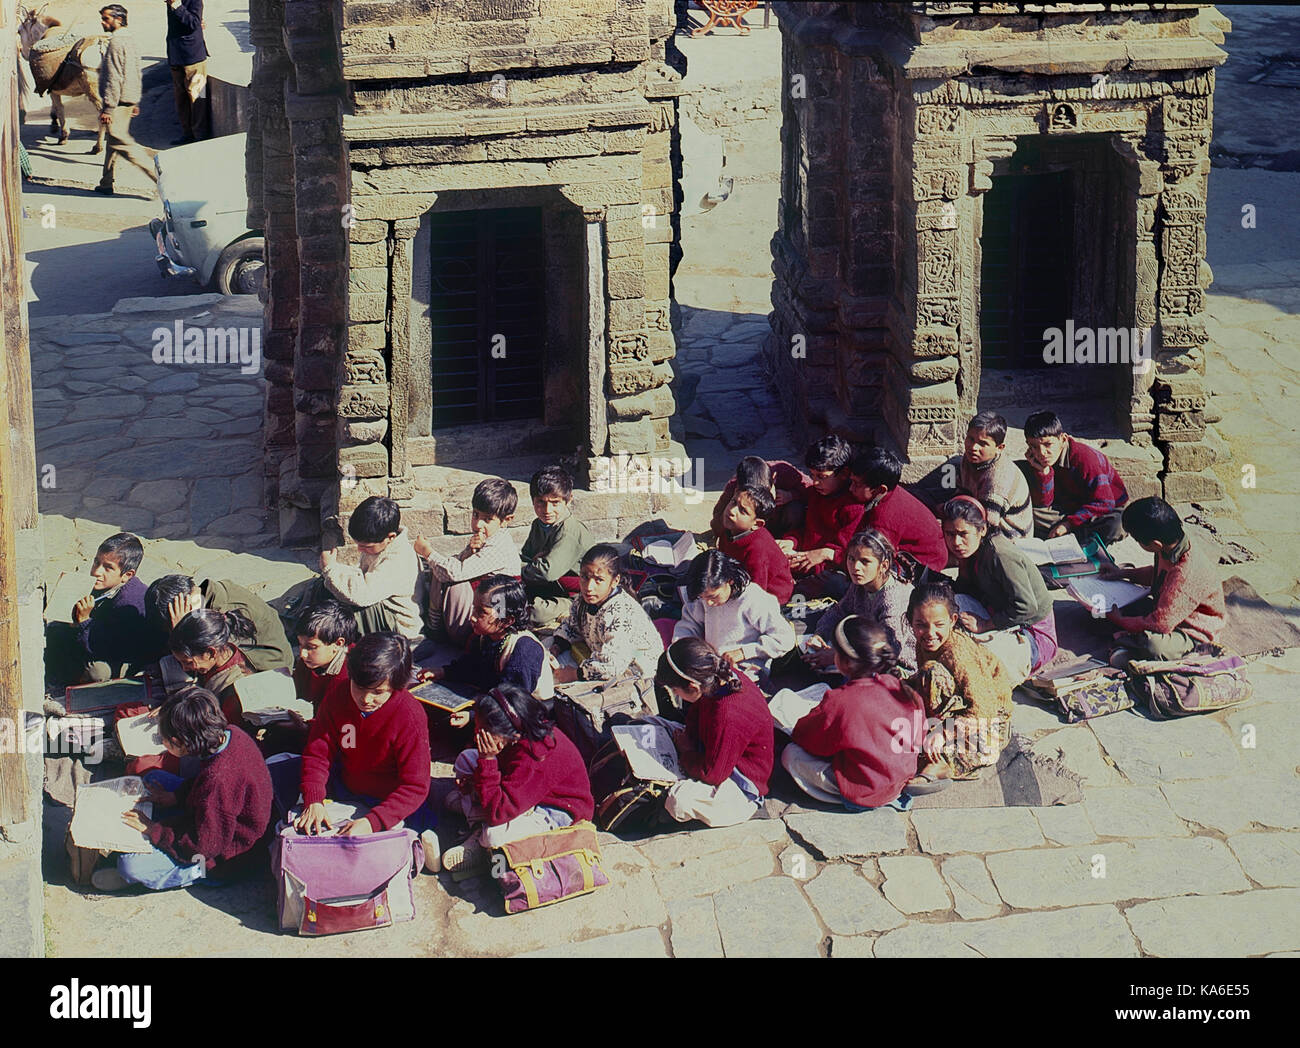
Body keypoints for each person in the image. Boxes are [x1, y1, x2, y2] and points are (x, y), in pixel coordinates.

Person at [93, 685, 273, 892]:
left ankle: (184, 875)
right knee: (153, 779)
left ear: (180, 743)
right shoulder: (231, 733)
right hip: (217, 816)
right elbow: (204, 781)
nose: (160, 742)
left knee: (130, 865)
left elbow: (204, 847)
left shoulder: (219, 781)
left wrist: (153, 830)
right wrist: (175, 796)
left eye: (163, 739)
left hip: (226, 856)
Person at [293, 633, 439, 872]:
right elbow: (318, 751)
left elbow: (415, 786)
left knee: (377, 846)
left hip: (388, 797)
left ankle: (415, 845)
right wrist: (314, 799)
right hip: (347, 783)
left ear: (397, 686)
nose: (367, 699)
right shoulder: (338, 695)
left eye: (379, 692)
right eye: (360, 688)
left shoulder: (409, 716)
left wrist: (373, 823)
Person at [440, 683, 595, 875]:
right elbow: (507, 773)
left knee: (493, 834)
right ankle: (478, 818)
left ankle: (480, 839)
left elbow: (497, 813)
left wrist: (487, 761)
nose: (476, 735)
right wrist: (473, 780)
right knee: (466, 759)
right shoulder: (517, 735)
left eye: (483, 731)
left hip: (555, 809)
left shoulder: (535, 756)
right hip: (525, 792)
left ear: (511, 735)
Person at [783, 616, 926, 809]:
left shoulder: (841, 700)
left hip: (866, 791)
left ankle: (849, 797)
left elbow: (805, 737)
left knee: (791, 754)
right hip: (899, 779)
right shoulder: (904, 689)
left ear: (845, 662)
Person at [653, 638, 774, 828]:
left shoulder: (729, 713)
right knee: (652, 725)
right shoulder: (714, 679)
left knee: (679, 801)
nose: (675, 694)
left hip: (739, 780)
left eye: (675, 690)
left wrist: (685, 752)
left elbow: (713, 774)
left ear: (692, 687)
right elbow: (695, 716)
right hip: (712, 752)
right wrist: (688, 741)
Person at [905, 583, 1013, 790]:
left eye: (938, 624)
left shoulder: (958, 653)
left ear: (953, 621)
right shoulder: (923, 644)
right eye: (921, 625)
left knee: (930, 673)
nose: (930, 633)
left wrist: (942, 733)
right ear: (911, 622)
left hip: (990, 722)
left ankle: (942, 763)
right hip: (957, 713)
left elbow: (985, 711)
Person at [943, 496, 1058, 683]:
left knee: (987, 662)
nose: (956, 542)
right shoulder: (972, 551)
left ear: (982, 530)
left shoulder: (1001, 555)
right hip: (998, 615)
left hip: (1033, 633)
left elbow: (1026, 607)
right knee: (949, 606)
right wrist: (963, 567)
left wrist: (985, 625)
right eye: (949, 534)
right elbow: (965, 590)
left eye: (963, 534)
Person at [1101, 496, 1226, 664]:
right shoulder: (1172, 544)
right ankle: (1128, 641)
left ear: (1155, 544)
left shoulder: (1185, 573)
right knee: (1116, 605)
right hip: (1170, 609)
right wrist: (1121, 573)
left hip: (1191, 631)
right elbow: (1157, 576)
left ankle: (1128, 646)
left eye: (1138, 540)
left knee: (1154, 645)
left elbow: (1162, 624)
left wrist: (1120, 621)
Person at [414, 478, 521, 647]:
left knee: (452, 580)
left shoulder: (499, 547)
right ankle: (435, 624)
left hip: (494, 615)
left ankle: (446, 634)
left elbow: (456, 572)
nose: (478, 524)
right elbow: (455, 562)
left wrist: (427, 552)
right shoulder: (485, 537)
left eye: (487, 519)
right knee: (441, 567)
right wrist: (468, 552)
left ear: (506, 520)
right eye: (475, 514)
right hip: (480, 605)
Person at [426, 575, 555, 712]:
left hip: (528, 712)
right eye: (474, 608)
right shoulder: (485, 636)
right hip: (496, 700)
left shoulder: (523, 650)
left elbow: (515, 702)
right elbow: (471, 667)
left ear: (507, 620)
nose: (472, 617)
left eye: (481, 612)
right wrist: (443, 672)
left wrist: (472, 716)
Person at [674, 549, 795, 685]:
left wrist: (743, 652)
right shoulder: (703, 598)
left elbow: (785, 639)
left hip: (748, 670)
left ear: (729, 581)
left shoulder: (753, 599)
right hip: (713, 663)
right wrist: (682, 649)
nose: (708, 603)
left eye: (712, 597)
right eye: (702, 597)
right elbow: (689, 624)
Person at [45, 532, 150, 686]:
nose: (96, 572)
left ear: (127, 575)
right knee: (54, 630)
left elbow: (104, 648)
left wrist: (84, 621)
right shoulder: (108, 584)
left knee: (96, 672)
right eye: (96, 562)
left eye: (108, 568)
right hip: (101, 637)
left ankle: (74, 685)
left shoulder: (129, 604)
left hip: (124, 657)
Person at [808, 528, 917, 673]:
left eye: (865, 561)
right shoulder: (860, 584)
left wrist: (837, 656)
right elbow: (840, 611)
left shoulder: (892, 600)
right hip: (866, 652)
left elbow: (888, 650)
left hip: (898, 668)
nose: (855, 567)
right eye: (851, 559)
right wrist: (820, 634)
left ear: (883, 566)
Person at [550, 544, 664, 684]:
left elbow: (612, 665)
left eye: (599, 580)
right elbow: (572, 624)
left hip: (633, 672)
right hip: (599, 656)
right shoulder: (584, 600)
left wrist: (574, 674)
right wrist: (557, 646)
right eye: (584, 577)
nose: (589, 587)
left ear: (615, 581)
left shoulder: (619, 613)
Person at [318, 496, 424, 641]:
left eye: (365, 546)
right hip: (377, 602)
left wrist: (329, 569)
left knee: (343, 615)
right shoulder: (381, 547)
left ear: (390, 537)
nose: (359, 550)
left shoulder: (398, 560)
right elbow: (361, 576)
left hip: (397, 624)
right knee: (324, 586)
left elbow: (362, 596)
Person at [145, 573, 293, 672]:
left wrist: (180, 632)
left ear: (184, 604)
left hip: (268, 666)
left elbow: (212, 662)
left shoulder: (228, 613)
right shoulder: (203, 598)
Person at [1021, 411, 1129, 543]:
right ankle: (1076, 536)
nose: (1042, 453)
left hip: (1103, 509)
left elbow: (1105, 502)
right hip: (1070, 506)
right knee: (1031, 513)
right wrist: (1043, 473)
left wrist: (1068, 524)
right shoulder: (1040, 460)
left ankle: (1076, 537)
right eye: (1034, 447)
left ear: (1063, 439)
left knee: (1117, 524)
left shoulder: (1085, 458)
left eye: (1048, 444)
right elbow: (1044, 503)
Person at [776, 435, 864, 597]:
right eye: (812, 475)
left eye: (821, 477)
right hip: (805, 557)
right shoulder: (818, 493)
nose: (815, 482)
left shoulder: (852, 508)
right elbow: (807, 530)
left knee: (836, 583)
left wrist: (805, 561)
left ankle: (794, 588)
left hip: (827, 567)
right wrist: (791, 541)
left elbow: (845, 556)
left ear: (844, 473)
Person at [848, 446, 947, 575]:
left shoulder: (885, 519)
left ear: (880, 490)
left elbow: (874, 552)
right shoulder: (888, 493)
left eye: (857, 484)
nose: (850, 488)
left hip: (924, 563)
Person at [94, 5, 158, 196]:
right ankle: (106, 183)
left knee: (123, 144)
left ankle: (162, 178)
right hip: (127, 100)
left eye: (106, 19)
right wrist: (135, 100)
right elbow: (135, 72)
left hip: (118, 102)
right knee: (112, 142)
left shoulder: (115, 43)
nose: (103, 22)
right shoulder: (129, 40)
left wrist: (108, 107)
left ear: (118, 20)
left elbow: (114, 77)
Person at [520, 465, 592, 628]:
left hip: (575, 594)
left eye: (555, 503)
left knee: (535, 613)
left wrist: (528, 566)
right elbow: (526, 556)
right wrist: (531, 565)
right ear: (533, 500)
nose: (547, 510)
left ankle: (573, 609)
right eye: (541, 502)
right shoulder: (538, 525)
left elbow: (547, 572)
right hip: (547, 586)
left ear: (568, 500)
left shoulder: (569, 532)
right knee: (502, 594)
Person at [943, 411, 1033, 542]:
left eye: (983, 444)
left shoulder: (999, 481)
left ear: (999, 448)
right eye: (970, 439)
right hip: (976, 514)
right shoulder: (969, 459)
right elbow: (956, 489)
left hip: (1007, 536)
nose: (973, 447)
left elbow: (988, 527)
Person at [168, 608, 256, 724]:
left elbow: (222, 728)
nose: (184, 668)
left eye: (188, 662)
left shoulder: (235, 692)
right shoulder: (221, 651)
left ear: (211, 653)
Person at [717, 484, 794, 605]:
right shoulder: (729, 528)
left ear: (757, 524)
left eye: (743, 511)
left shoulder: (757, 548)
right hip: (739, 579)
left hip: (772, 595)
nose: (732, 511)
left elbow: (757, 590)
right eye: (733, 502)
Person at [709, 455, 810, 543]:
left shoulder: (784, 471)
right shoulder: (735, 486)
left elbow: (812, 489)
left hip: (785, 526)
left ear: (774, 478)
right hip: (755, 530)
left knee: (795, 510)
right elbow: (718, 516)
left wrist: (792, 495)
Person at [291, 600, 357, 708]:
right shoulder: (309, 662)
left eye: (311, 647)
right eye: (300, 645)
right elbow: (297, 690)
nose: (302, 654)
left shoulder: (350, 677)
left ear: (338, 643)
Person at [164, 0, 209, 144]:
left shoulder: (194, 1)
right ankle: (187, 133)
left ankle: (199, 135)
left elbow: (194, 24)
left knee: (198, 98)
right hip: (176, 57)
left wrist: (177, 6)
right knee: (181, 99)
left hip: (193, 57)